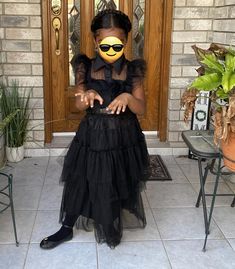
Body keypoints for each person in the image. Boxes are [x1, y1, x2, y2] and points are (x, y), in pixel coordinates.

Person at [40, 9, 149, 250]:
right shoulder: (85, 66)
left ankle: (110, 220)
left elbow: (141, 108)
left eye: (117, 42)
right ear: (95, 41)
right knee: (81, 178)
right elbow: (78, 104)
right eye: (104, 42)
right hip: (92, 133)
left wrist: (128, 97)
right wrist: (86, 94)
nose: (111, 48)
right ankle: (67, 226)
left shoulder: (133, 70)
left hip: (123, 135)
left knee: (114, 178)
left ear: (125, 41)